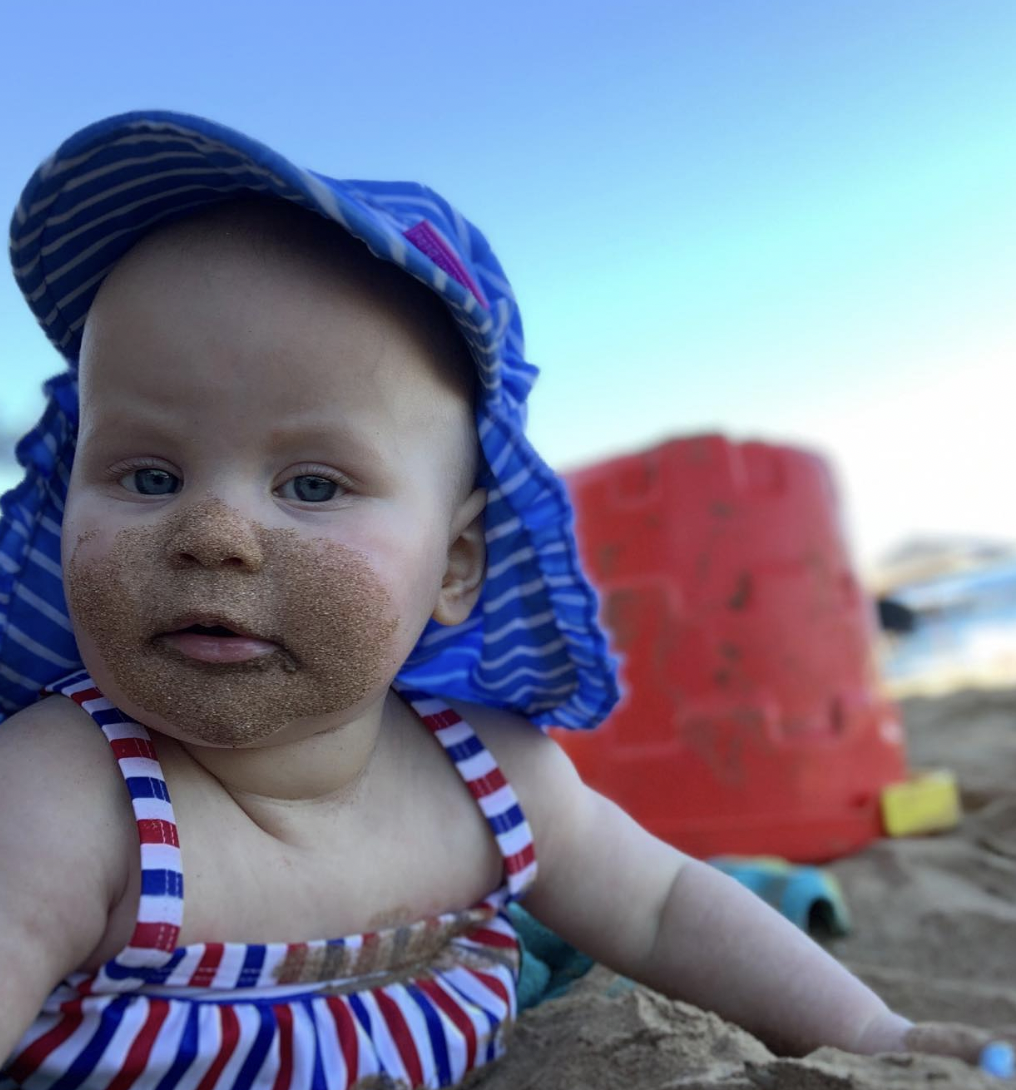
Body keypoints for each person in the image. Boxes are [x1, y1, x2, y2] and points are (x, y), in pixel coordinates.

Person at [0, 111, 997, 1089]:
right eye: (146, 475)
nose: (211, 530)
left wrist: (870, 1029)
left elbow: (660, 906)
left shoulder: (485, 775)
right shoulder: (64, 796)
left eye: (311, 484)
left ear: (455, 564)